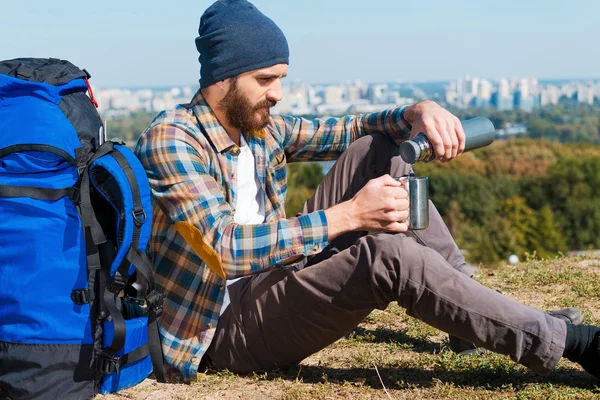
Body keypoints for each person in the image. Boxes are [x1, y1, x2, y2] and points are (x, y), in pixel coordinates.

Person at [134, 0, 600, 383]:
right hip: (220, 325)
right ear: (221, 78)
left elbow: (352, 128)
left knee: (378, 148)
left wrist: (418, 111)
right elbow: (224, 249)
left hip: (270, 277)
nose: (277, 93)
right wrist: (351, 216)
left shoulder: (257, 130)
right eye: (265, 80)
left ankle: (469, 322)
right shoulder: (173, 140)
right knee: (389, 256)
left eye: (281, 79)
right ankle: (575, 344)